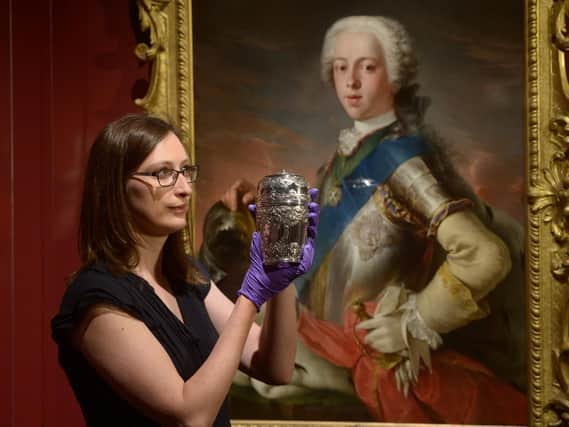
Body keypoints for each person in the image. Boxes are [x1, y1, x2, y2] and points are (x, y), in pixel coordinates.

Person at [219, 15, 527, 424]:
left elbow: (486, 254)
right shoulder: (342, 159)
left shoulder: (403, 162)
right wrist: (266, 200)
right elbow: (334, 248)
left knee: (247, 368)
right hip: (319, 334)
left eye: (367, 66)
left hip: (361, 352)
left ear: (394, 75)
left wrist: (415, 320)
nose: (352, 81)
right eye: (342, 67)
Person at [51, 113, 319, 427]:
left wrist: (280, 272)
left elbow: (276, 368)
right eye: (163, 173)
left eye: (185, 171)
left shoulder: (186, 277)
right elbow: (190, 415)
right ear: (116, 186)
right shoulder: (97, 298)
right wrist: (251, 294)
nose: (184, 189)